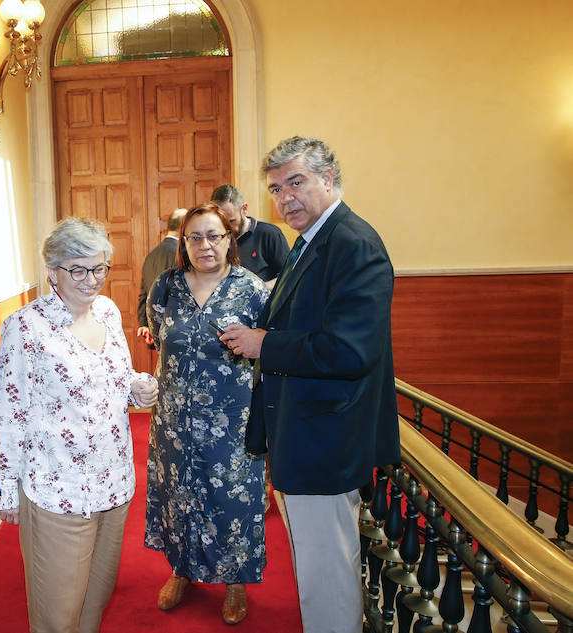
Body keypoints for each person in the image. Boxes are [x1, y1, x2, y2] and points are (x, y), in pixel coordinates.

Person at [220, 136, 400, 633]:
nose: (285, 198)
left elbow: (350, 350)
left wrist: (265, 345)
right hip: (304, 433)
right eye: (276, 189)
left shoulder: (353, 243)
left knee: (327, 572)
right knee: (315, 567)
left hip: (328, 439)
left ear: (328, 178)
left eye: (295, 182)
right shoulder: (312, 240)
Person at [0, 218, 158, 633]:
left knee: (94, 605)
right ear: (52, 271)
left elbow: (117, 374)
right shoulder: (25, 327)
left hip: (115, 483)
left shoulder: (106, 310)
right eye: (78, 270)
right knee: (57, 616)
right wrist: (7, 489)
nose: (92, 280)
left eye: (99, 268)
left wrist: (137, 385)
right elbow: (9, 413)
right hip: (57, 491)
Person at [144, 202, 269, 625]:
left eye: (213, 235)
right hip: (174, 420)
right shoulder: (167, 286)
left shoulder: (251, 289)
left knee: (232, 500)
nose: (204, 245)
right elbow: (159, 336)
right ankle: (182, 570)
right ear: (184, 243)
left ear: (229, 239)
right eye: (194, 237)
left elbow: (267, 345)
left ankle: (235, 583)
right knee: (179, 497)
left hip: (232, 422)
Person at [211, 184, 288, 290]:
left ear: (244, 209)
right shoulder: (214, 239)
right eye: (221, 222)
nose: (227, 228)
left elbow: (288, 277)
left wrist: (256, 289)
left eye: (232, 221)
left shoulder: (269, 234)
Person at [137, 207, 187, 348]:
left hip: (155, 330)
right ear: (184, 227)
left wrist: (145, 325)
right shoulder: (181, 255)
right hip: (177, 332)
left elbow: (143, 294)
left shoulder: (150, 256)